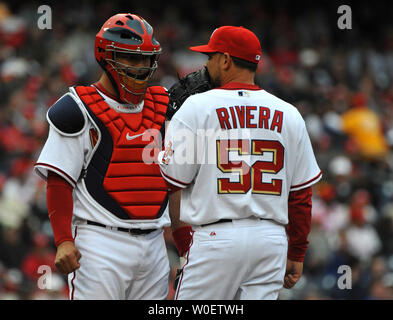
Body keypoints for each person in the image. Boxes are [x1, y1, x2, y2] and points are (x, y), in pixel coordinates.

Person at [159, 26, 322, 300]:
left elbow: (173, 180)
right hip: (270, 241)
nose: (206, 64)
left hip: (216, 238)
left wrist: (167, 129)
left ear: (225, 60)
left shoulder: (197, 107)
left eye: (210, 57)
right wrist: (297, 251)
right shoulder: (290, 113)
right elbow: (301, 195)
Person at [34, 13, 171, 300]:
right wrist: (63, 241)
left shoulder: (166, 105)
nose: (140, 67)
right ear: (105, 56)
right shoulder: (77, 107)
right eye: (131, 59)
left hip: (156, 242)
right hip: (100, 242)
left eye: (146, 59)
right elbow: (59, 181)